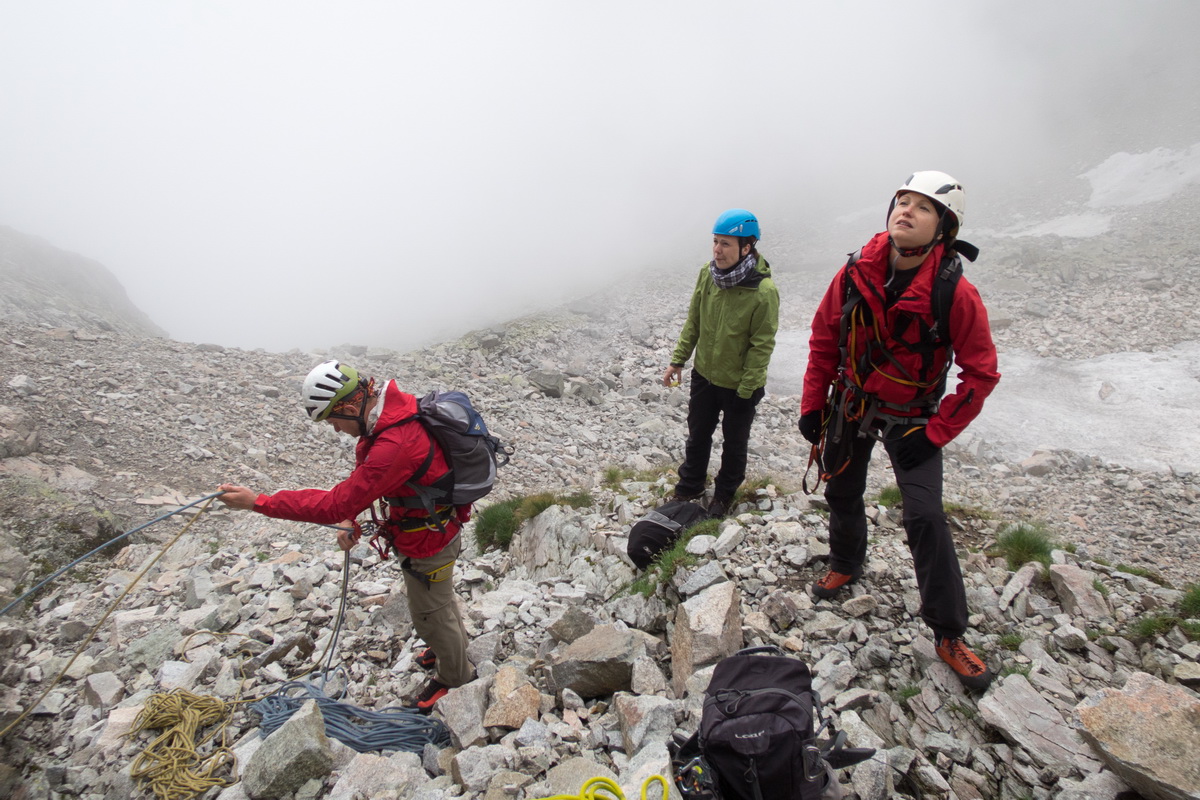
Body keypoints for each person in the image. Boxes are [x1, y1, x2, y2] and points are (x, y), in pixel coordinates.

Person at [798, 171, 1000, 691]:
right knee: (841, 487)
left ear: (944, 228)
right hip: (852, 401)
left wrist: (935, 434)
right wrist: (813, 406)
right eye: (902, 201)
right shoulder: (854, 272)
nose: (906, 210)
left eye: (923, 207)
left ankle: (949, 632)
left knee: (925, 516)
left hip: (915, 417)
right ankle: (846, 561)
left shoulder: (955, 292)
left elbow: (980, 373)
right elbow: (824, 341)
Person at [217, 360, 474, 712]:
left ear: (351, 409)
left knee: (429, 613)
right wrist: (351, 515)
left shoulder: (394, 442)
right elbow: (364, 483)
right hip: (431, 527)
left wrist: (259, 502)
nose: (336, 429)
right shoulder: (386, 414)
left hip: (428, 540)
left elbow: (333, 504)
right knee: (437, 602)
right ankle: (449, 647)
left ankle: (455, 676)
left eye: (334, 421)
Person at [662, 209, 779, 518]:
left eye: (726, 244)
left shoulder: (763, 291)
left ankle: (724, 495)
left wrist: (747, 389)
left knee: (734, 443)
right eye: (715, 242)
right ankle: (690, 486)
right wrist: (678, 361)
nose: (717, 250)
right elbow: (694, 320)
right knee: (698, 434)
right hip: (705, 375)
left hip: (740, 385)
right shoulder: (708, 274)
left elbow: (762, 344)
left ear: (746, 247)